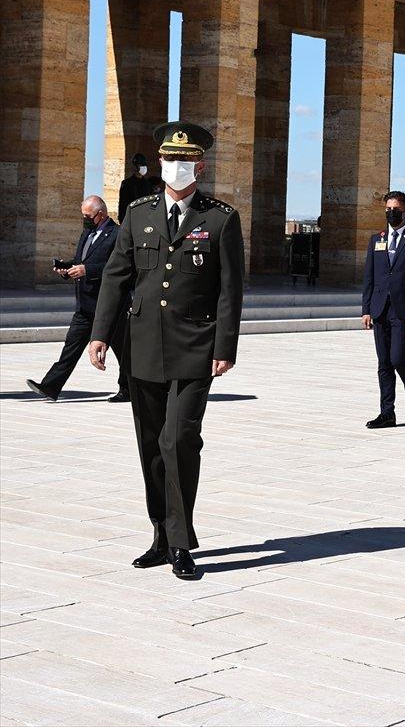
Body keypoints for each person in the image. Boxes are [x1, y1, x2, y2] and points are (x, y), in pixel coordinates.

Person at [87, 121, 244, 581]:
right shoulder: (138, 213)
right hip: (144, 347)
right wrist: (99, 335)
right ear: (159, 164)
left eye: (184, 161)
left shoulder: (220, 218)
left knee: (178, 441)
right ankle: (160, 532)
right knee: (151, 444)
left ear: (201, 165)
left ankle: (181, 541)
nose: (175, 168)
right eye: (168, 160)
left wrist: (225, 345)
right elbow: (117, 277)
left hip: (196, 346)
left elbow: (231, 290)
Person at [26, 196, 129, 404]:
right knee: (70, 348)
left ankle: (128, 389)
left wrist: (87, 270)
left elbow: (119, 267)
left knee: (124, 351)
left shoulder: (117, 234)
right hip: (85, 306)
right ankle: (50, 386)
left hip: (108, 306)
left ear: (100, 214)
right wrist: (67, 268)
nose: (85, 219)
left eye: (88, 216)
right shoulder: (87, 233)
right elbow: (81, 262)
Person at [361, 191, 405, 428]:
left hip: (403, 310)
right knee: (384, 363)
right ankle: (387, 412)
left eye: (396, 209)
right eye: (388, 209)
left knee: (398, 358)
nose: (391, 213)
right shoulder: (376, 239)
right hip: (380, 309)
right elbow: (369, 276)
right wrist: (366, 309)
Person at [117, 153, 161, 224]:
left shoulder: (148, 184)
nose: (143, 167)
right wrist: (122, 220)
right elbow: (123, 204)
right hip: (131, 219)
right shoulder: (127, 183)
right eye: (140, 165)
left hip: (145, 219)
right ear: (135, 167)